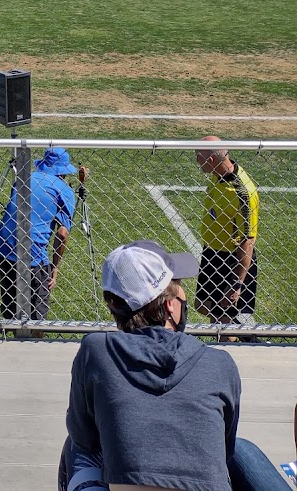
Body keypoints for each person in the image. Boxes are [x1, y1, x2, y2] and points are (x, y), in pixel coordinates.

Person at [59, 239, 285, 491]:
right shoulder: (220, 363)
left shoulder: (95, 351)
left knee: (75, 445)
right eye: (178, 287)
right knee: (242, 450)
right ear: (169, 305)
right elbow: (224, 449)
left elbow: (84, 437)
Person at [0, 146, 76, 321]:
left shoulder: (23, 178)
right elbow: (62, 234)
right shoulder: (65, 191)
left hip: (4, 245)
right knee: (37, 315)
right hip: (34, 252)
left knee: (12, 310)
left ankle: (14, 341)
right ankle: (34, 341)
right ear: (64, 171)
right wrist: (53, 269)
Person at [195, 136, 259, 332]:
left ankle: (234, 341)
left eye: (198, 156)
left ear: (211, 161)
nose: (196, 160)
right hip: (212, 252)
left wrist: (236, 283)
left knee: (223, 321)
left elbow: (248, 242)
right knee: (202, 305)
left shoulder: (242, 193)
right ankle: (240, 331)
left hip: (232, 259)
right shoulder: (218, 173)